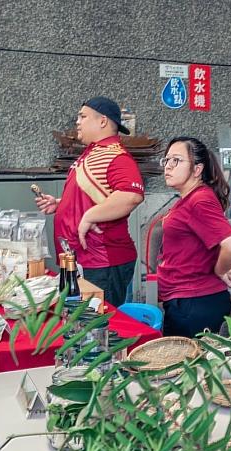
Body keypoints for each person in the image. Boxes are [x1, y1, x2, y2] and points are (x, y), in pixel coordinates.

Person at [35, 96, 144, 307]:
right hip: (81, 258)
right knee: (80, 324)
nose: (77, 122)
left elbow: (131, 195)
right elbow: (98, 194)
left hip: (102, 262)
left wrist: (89, 216)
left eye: (83, 116)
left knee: (98, 327)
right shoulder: (92, 153)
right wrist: (62, 203)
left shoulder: (116, 156)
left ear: (102, 121)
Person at [157, 137, 231, 337]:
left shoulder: (199, 200)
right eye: (166, 160)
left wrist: (220, 269)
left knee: (190, 367)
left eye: (176, 161)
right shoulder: (189, 198)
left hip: (195, 304)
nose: (168, 166)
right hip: (186, 302)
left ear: (197, 170)